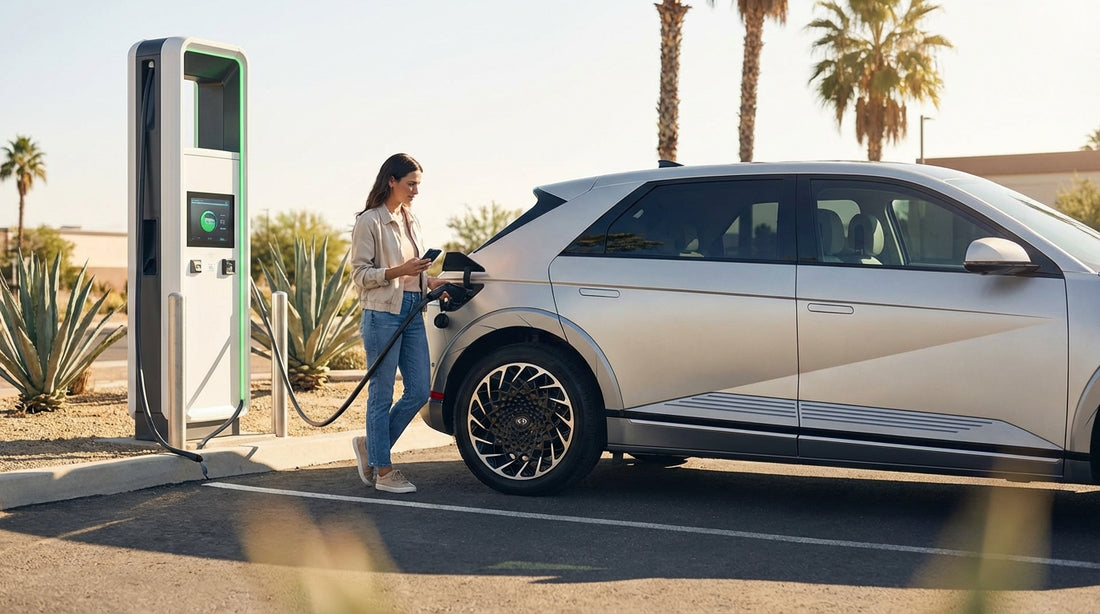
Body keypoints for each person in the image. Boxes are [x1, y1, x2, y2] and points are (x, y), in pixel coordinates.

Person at [349, 153, 446, 493]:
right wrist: (399, 272)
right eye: (410, 184)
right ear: (391, 180)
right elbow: (359, 275)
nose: (415, 191)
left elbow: (412, 270)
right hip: (381, 314)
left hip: (413, 309)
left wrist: (428, 280)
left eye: (418, 185)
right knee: (382, 392)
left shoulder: (410, 219)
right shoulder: (370, 221)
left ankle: (370, 447)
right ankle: (385, 471)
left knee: (420, 389)